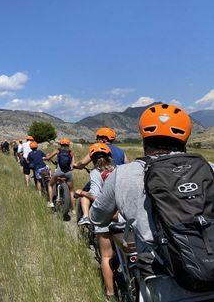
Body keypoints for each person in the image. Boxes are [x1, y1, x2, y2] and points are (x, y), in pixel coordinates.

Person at [90, 103, 214, 300]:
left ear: (144, 138)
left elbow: (98, 216)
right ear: (186, 138)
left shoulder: (123, 174)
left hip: (163, 285)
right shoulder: (209, 168)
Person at [76, 143, 116, 298]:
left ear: (92, 159)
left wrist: (83, 193)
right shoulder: (117, 170)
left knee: (106, 256)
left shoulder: (95, 173)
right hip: (122, 215)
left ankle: (110, 293)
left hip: (106, 216)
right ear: (109, 157)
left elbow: (96, 196)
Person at [74, 127, 128, 221]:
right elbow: (127, 165)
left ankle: (85, 217)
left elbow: (82, 163)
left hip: (102, 179)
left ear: (103, 139)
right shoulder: (121, 152)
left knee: (84, 194)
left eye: (98, 138)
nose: (97, 140)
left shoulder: (99, 149)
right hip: (119, 182)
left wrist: (76, 166)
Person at [46, 138, 75, 208]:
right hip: (68, 173)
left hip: (59, 172)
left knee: (50, 184)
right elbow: (72, 165)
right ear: (68, 145)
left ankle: (50, 202)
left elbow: (48, 158)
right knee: (71, 190)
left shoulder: (58, 151)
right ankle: (73, 209)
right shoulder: (71, 152)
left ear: (60, 144)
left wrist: (46, 158)